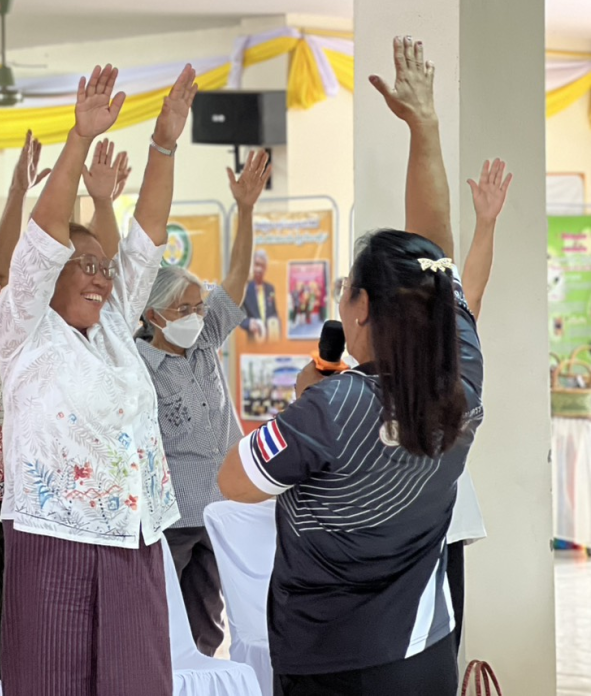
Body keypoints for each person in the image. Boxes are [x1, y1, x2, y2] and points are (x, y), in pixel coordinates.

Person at [217, 37, 482, 695]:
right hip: (423, 653)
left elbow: (234, 481)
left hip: (327, 660)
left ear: (360, 308)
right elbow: (435, 254)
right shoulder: (461, 383)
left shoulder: (331, 409)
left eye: (344, 290)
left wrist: (302, 401)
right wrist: (426, 128)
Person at [0, 62, 198, 696]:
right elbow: (45, 235)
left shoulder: (112, 326)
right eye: (81, 263)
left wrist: (163, 144)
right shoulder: (21, 329)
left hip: (134, 540)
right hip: (53, 543)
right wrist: (77, 139)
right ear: (50, 270)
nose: (98, 275)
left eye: (100, 267)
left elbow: (146, 240)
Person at [0, 131, 129, 678]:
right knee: (6, 627)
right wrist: (17, 194)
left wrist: (103, 202)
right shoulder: (13, 327)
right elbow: (5, 269)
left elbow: (98, 261)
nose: (93, 276)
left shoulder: (90, 336)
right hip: (13, 496)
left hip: (79, 507)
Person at [135, 148, 270, 656]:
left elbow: (235, 280)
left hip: (222, 502)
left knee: (211, 617)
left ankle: (209, 682)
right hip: (172, 512)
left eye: (197, 305)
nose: (195, 314)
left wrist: (247, 210)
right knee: (165, 618)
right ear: (153, 313)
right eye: (183, 308)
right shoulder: (138, 363)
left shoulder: (205, 339)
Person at [446, 157, 511, 648]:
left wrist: (485, 223)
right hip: (391, 533)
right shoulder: (363, 375)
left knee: (446, 642)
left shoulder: (448, 353)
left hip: (443, 525)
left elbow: (474, 289)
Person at [242, 249, 279, 341]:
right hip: (253, 341)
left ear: (265, 268)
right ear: (252, 266)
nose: (259, 269)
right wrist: (248, 323)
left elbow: (274, 312)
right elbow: (238, 315)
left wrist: (274, 322)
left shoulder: (270, 288)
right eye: (257, 264)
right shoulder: (244, 289)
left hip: (270, 340)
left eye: (262, 266)